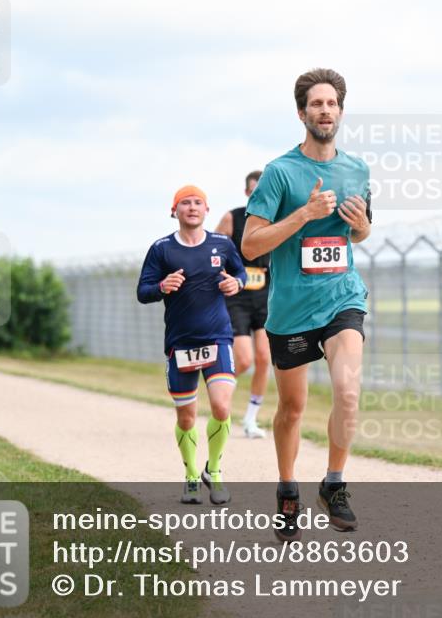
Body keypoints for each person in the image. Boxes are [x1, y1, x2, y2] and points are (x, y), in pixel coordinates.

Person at [242, 68, 372, 541]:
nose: (325, 111)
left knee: (349, 390)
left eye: (332, 103)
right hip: (291, 308)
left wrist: (361, 226)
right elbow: (251, 246)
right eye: (316, 104)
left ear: (340, 110)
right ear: (302, 113)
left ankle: (334, 484)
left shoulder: (358, 169)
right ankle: (287, 487)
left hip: (342, 296)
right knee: (293, 408)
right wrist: (304, 214)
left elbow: (360, 232)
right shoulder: (279, 173)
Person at [138, 184, 247, 505]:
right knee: (186, 418)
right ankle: (190, 476)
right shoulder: (161, 249)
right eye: (185, 203)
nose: (192, 207)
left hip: (218, 337)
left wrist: (235, 283)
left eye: (198, 202)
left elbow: (240, 273)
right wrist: (161, 285)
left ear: (207, 210)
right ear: (175, 211)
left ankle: (213, 470)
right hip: (180, 343)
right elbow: (143, 291)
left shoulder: (222, 244)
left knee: (222, 406)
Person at [215, 170, 271, 439]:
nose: (258, 195)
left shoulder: (277, 219)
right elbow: (211, 251)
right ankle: (220, 395)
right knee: (245, 359)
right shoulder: (232, 218)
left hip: (265, 294)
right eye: (253, 191)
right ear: (247, 193)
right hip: (236, 296)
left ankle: (250, 419)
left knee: (264, 358)